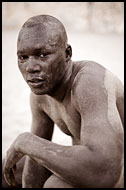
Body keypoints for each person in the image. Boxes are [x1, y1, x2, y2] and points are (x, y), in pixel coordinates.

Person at [3, 15, 124, 188]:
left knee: (55, 185)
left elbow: (106, 172)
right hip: (92, 167)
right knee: (8, 169)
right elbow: (34, 163)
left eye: (43, 55)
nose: (31, 67)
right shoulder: (41, 93)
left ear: (67, 53)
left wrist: (26, 141)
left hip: (113, 170)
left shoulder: (89, 83)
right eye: (23, 57)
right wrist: (28, 146)